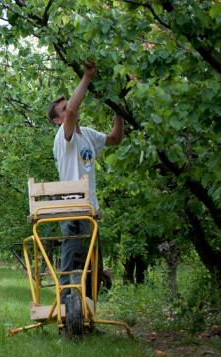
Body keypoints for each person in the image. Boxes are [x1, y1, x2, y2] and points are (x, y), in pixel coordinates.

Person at [47, 62, 124, 297]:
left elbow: (114, 139)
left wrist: (118, 109)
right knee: (71, 257)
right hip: (72, 207)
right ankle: (65, 310)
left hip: (90, 207)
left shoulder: (87, 134)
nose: (69, 108)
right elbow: (72, 111)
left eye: (67, 105)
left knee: (93, 263)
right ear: (57, 121)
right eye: (63, 109)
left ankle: (88, 314)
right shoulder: (63, 136)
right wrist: (87, 76)